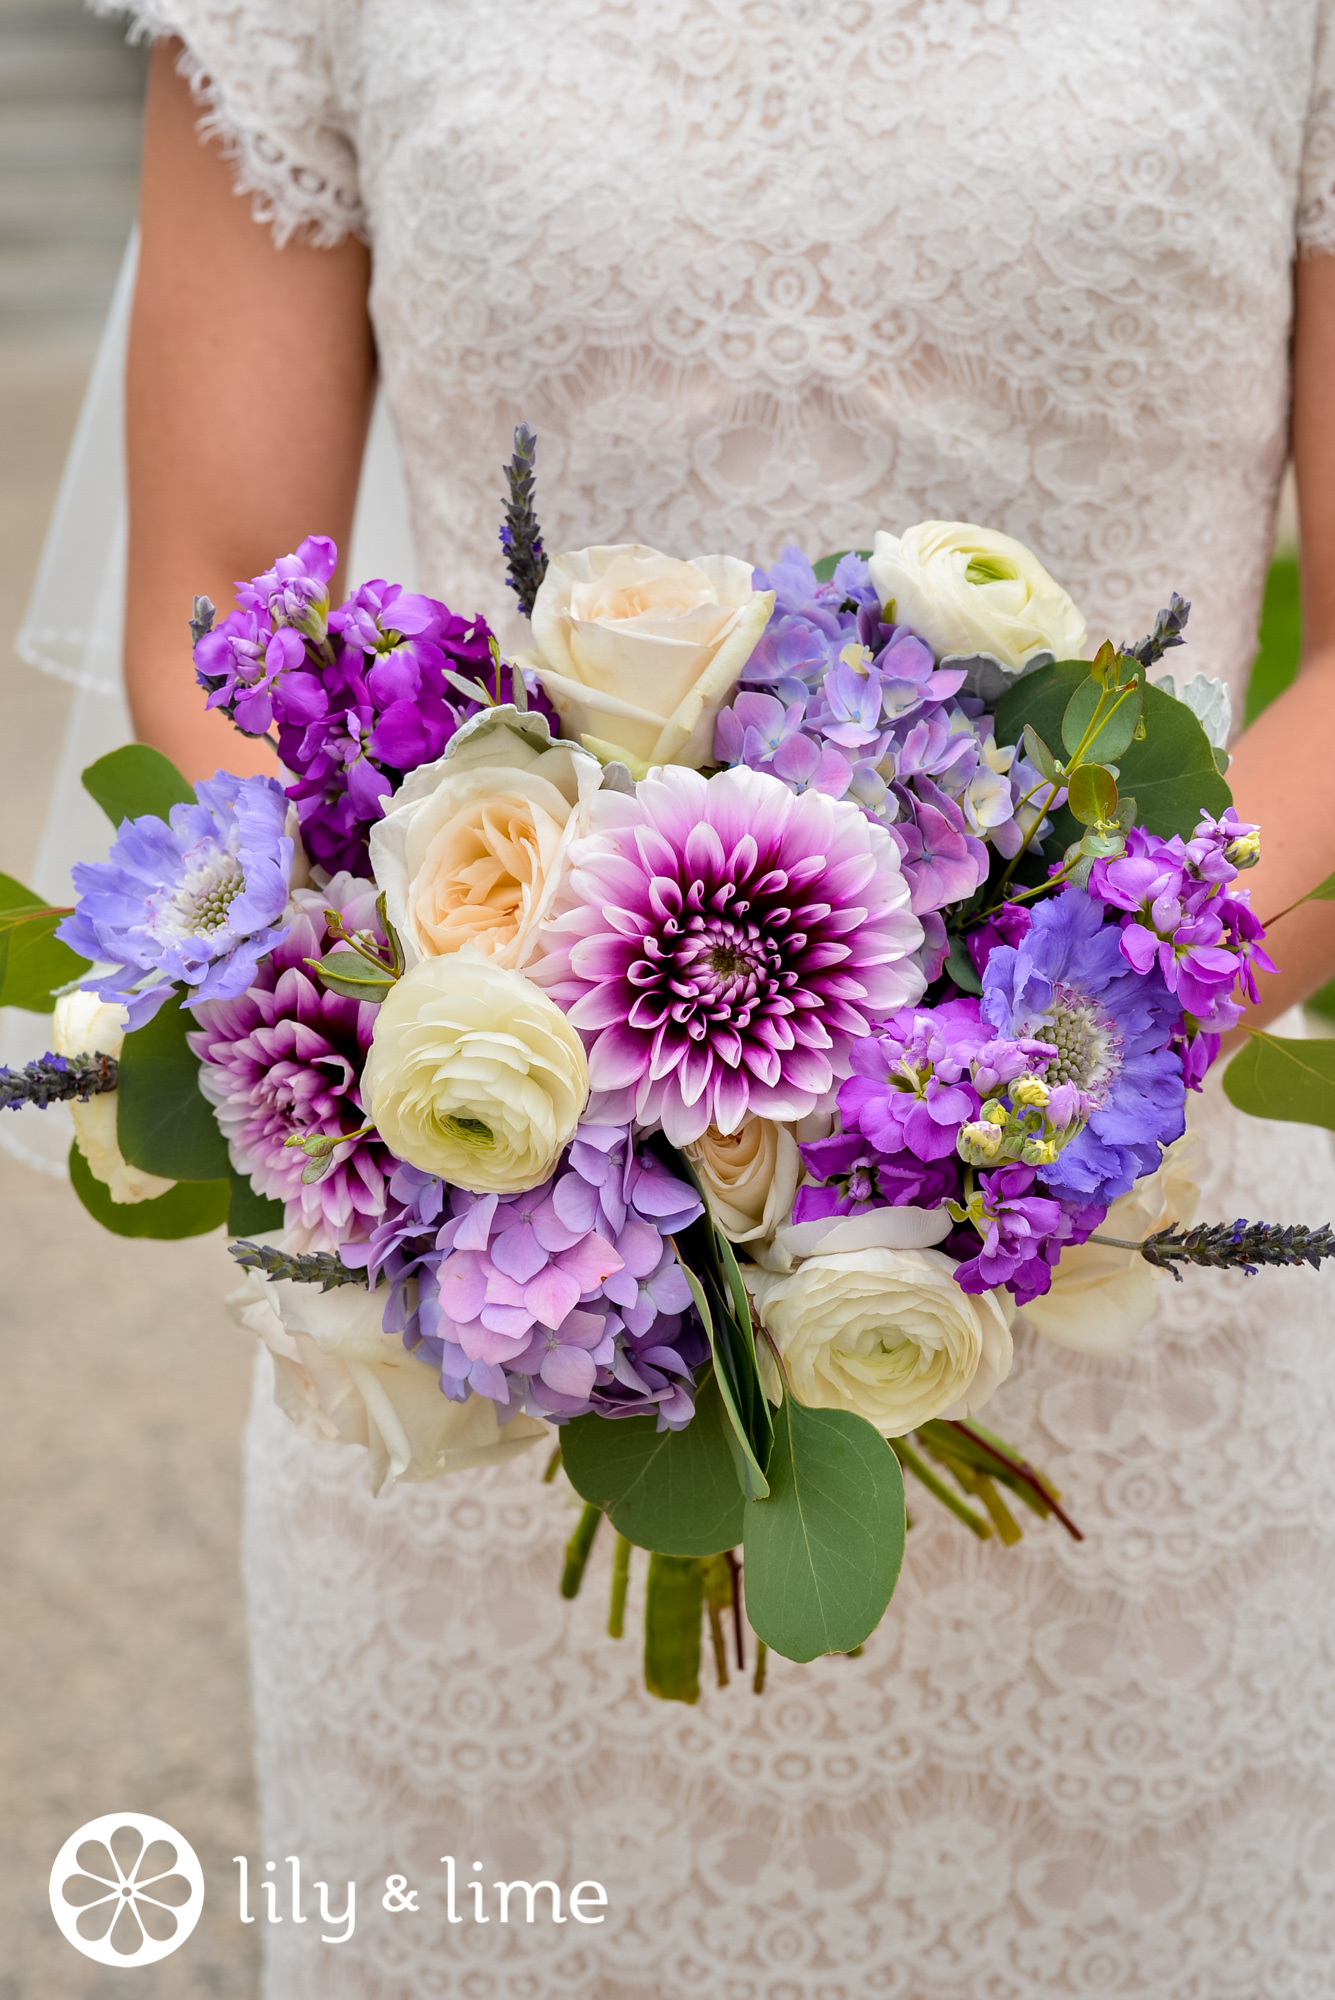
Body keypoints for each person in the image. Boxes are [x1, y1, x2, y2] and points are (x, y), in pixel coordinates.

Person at [105, 3, 1335, 1993]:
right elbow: (224, 586)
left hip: (1127, 1269)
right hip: (508, 1289)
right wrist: (522, 1064)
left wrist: (1018, 1081)